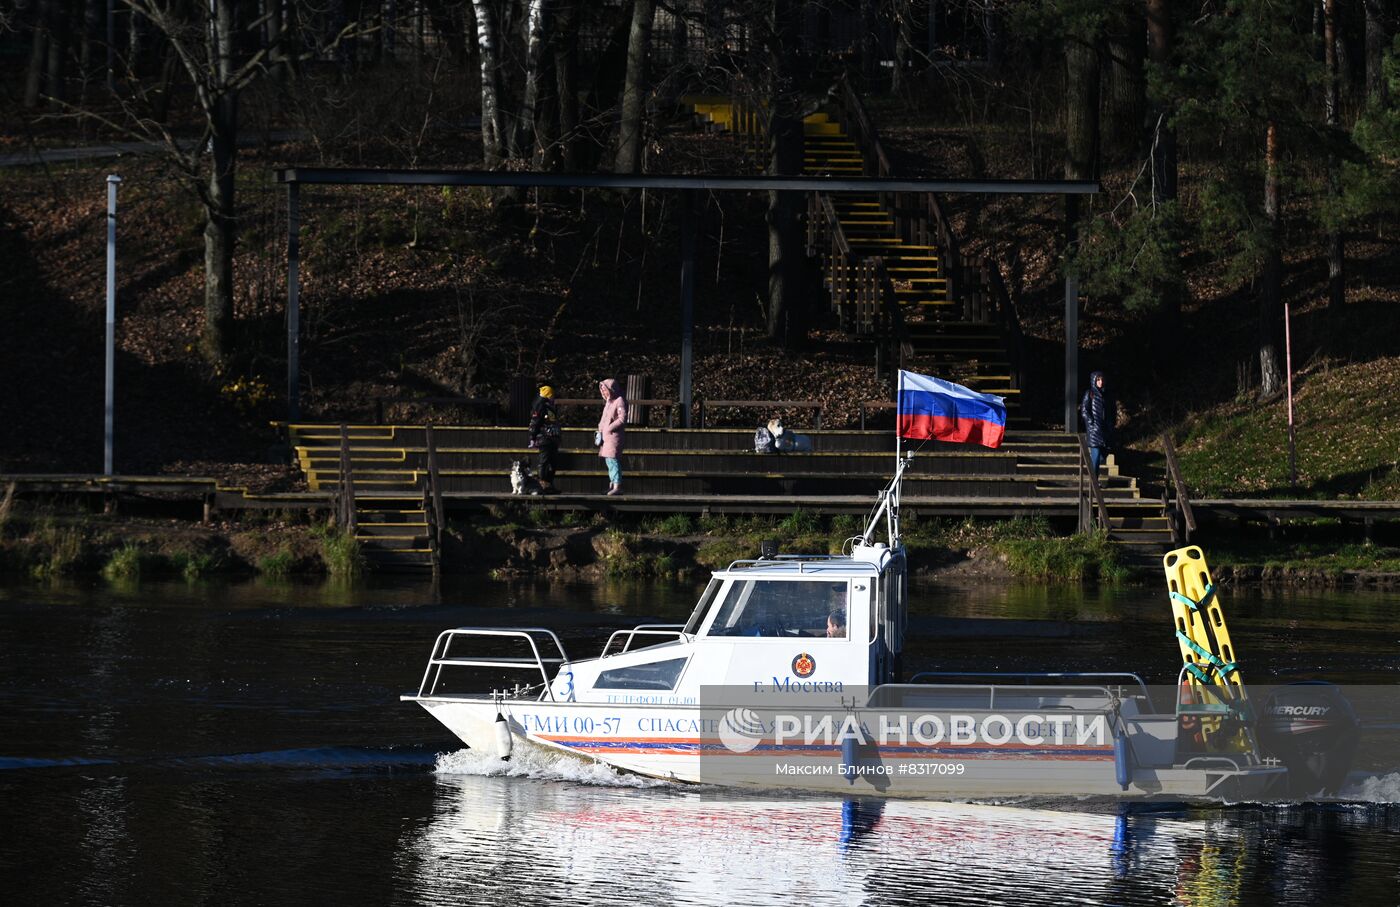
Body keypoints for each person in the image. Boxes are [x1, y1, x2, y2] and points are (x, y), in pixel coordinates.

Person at [1079, 370, 1117, 476]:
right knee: (1095, 457)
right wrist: (1091, 422)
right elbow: (1084, 410)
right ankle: (1094, 481)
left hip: (1105, 431)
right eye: (1098, 379)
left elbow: (1113, 410)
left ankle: (1092, 474)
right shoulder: (1089, 393)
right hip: (1094, 431)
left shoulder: (1108, 394)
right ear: (1094, 381)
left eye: (1102, 379)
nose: (1100, 382)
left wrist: (1112, 423)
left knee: (1104, 454)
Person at [527, 384, 561, 494]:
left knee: (553, 462)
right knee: (544, 461)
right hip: (544, 438)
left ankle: (549, 483)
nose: (553, 397)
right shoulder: (540, 406)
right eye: (551, 395)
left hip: (553, 438)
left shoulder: (551, 406)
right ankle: (542, 483)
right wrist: (532, 436)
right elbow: (535, 422)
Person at [597, 377, 627, 495]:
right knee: (609, 461)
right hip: (606, 437)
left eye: (605, 389)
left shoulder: (619, 400)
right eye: (602, 390)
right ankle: (612, 485)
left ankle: (617, 486)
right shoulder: (608, 402)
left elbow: (622, 419)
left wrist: (609, 428)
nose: (603, 392)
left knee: (613, 460)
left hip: (613, 436)